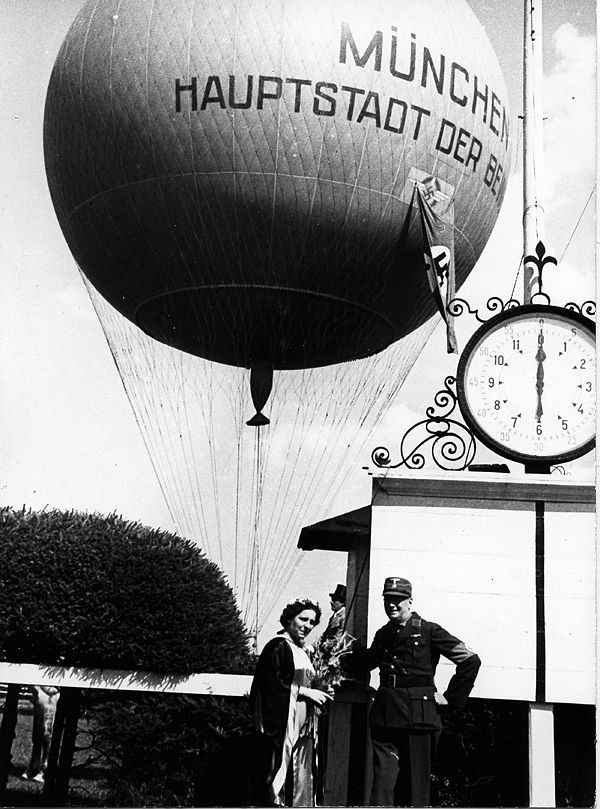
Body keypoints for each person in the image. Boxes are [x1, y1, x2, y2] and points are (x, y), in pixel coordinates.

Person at [364, 576, 481, 807]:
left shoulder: (429, 631)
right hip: (385, 715)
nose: (392, 604)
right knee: (382, 785)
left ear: (410, 601)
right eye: (388, 599)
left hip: (418, 716)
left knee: (416, 788)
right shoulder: (383, 634)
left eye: (398, 599)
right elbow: (365, 661)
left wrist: (450, 698)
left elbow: (470, 660)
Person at [250, 598, 333, 806]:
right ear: (289, 619)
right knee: (285, 772)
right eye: (303, 619)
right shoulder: (278, 646)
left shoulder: (303, 650)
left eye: (312, 622)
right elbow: (270, 686)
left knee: (303, 771)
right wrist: (306, 693)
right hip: (286, 721)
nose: (307, 626)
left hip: (306, 724)